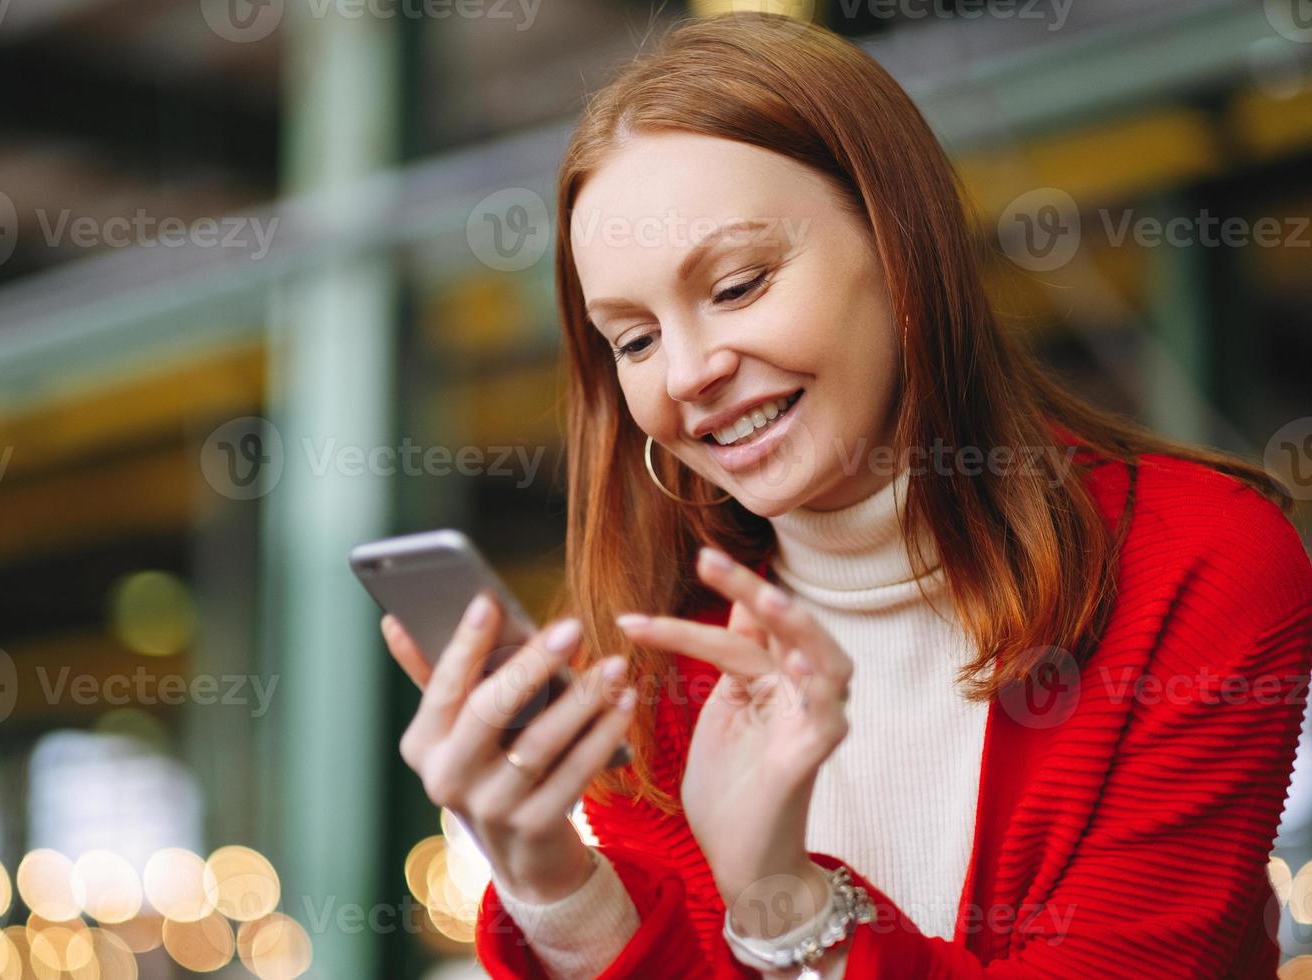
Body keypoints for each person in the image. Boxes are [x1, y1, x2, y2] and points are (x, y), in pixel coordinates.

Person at [381, 12, 1312, 978]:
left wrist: (785, 900)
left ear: (901, 246)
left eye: (738, 286)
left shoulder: (1197, 567)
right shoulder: (654, 648)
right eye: (636, 340)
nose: (689, 373)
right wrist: (555, 884)